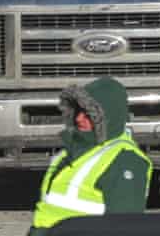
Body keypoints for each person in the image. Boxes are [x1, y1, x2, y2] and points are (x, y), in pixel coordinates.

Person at [32, 75, 153, 225]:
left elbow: (124, 226)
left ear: (107, 119)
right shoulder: (74, 150)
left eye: (89, 115)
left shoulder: (125, 160)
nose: (79, 118)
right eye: (78, 111)